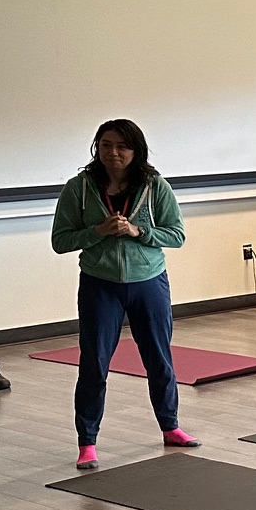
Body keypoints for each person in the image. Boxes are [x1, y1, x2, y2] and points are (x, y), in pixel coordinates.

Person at [49, 119, 196, 470]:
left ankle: (170, 427)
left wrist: (138, 230)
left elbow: (176, 235)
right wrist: (98, 231)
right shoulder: (79, 188)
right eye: (104, 145)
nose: (112, 153)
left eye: (121, 147)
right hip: (100, 285)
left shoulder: (155, 186)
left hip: (149, 283)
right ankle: (87, 443)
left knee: (159, 359)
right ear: (96, 148)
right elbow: (60, 241)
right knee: (94, 363)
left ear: (135, 150)